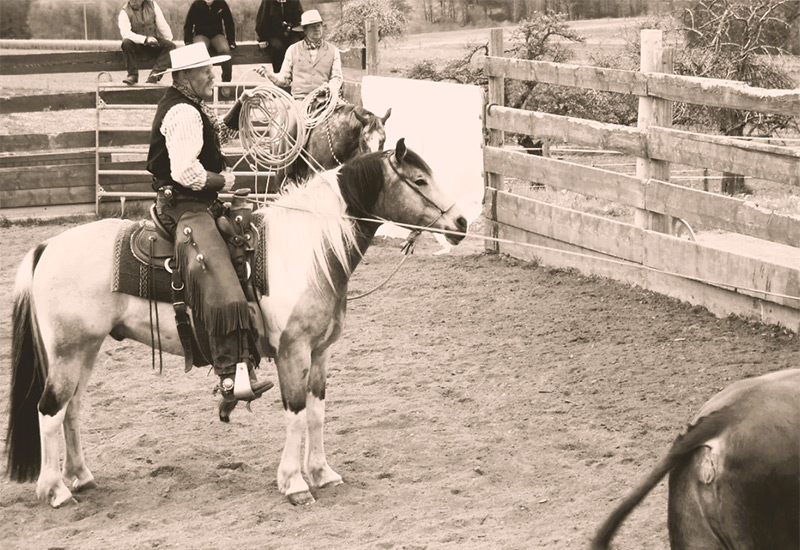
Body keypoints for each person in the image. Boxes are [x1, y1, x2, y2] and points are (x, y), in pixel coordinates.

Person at [146, 42, 271, 402]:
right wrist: (224, 182)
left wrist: (240, 107)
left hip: (198, 202)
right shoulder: (182, 112)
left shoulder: (193, 105)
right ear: (185, 76)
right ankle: (231, 375)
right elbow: (186, 171)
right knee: (223, 285)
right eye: (206, 71)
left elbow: (218, 134)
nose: (213, 76)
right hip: (184, 207)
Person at [256, 9, 342, 102]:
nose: (317, 29)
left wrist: (330, 88)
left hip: (325, 100)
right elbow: (284, 79)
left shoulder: (333, 50)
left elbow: (337, 77)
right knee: (287, 115)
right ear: (304, 30)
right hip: (300, 101)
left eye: (318, 25)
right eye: (312, 26)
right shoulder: (293, 50)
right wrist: (270, 75)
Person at [118, 0, 176, 85]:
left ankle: (154, 76)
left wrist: (168, 40)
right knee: (126, 43)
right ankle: (132, 75)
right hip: (136, 46)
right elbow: (126, 33)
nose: (133, 2)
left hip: (153, 44)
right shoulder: (124, 12)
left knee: (170, 46)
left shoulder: (153, 5)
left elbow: (162, 26)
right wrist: (145, 39)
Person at [183, 0, 236, 92]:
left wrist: (231, 41)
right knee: (198, 51)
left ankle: (226, 82)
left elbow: (229, 23)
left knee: (225, 50)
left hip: (217, 34)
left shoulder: (221, 3)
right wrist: (188, 41)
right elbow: (188, 24)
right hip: (201, 34)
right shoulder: (196, 5)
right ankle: (198, 83)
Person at [255, 0, 304, 73]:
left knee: (296, 46)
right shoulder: (268, 2)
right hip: (273, 34)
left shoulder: (294, 1)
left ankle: (296, 75)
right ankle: (279, 75)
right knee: (278, 47)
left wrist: (302, 35)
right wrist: (262, 38)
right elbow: (262, 19)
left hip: (291, 33)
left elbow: (300, 19)